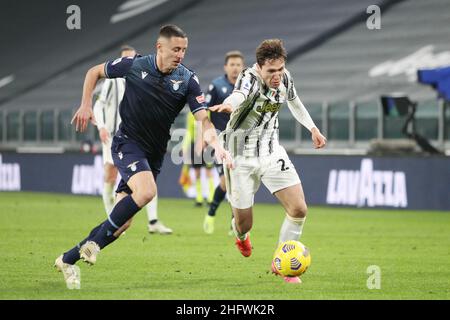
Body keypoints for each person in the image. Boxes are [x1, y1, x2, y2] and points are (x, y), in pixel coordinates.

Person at [54, 24, 232, 289]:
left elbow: (204, 120)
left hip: (155, 153)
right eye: (175, 49)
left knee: (122, 223)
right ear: (160, 47)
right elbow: (94, 72)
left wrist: (215, 144)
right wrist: (86, 104)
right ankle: (92, 246)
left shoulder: (187, 79)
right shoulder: (134, 65)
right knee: (147, 191)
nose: (180, 54)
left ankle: (67, 259)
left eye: (184, 50)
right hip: (127, 143)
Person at [209, 39, 326, 284]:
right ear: (259, 67)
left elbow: (294, 101)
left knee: (299, 209)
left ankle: (282, 264)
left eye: (280, 69)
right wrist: (229, 105)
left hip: (272, 153)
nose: (277, 75)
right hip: (240, 156)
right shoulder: (248, 77)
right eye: (271, 71)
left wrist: (312, 128)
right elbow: (238, 94)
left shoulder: (285, 78)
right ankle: (240, 235)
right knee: (243, 223)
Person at [93, 45, 172, 235]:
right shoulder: (113, 82)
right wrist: (101, 126)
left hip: (138, 138)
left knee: (148, 179)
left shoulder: (144, 81)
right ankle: (113, 219)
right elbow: (98, 105)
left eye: (132, 59)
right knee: (110, 177)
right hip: (115, 137)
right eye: (125, 59)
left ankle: (153, 221)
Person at [203, 50, 245, 234]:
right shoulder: (216, 86)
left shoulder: (247, 87)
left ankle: (234, 222)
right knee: (225, 182)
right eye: (232, 65)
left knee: (239, 183)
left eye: (238, 65)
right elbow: (204, 112)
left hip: (243, 142)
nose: (235, 68)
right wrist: (204, 137)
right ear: (225, 67)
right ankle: (211, 214)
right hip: (220, 141)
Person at [181, 111, 215, 207]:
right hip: (196, 145)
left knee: (209, 170)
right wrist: (185, 146)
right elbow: (189, 132)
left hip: (207, 145)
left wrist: (205, 142)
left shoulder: (207, 113)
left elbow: (210, 128)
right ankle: (199, 198)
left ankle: (211, 198)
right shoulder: (190, 115)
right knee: (197, 171)